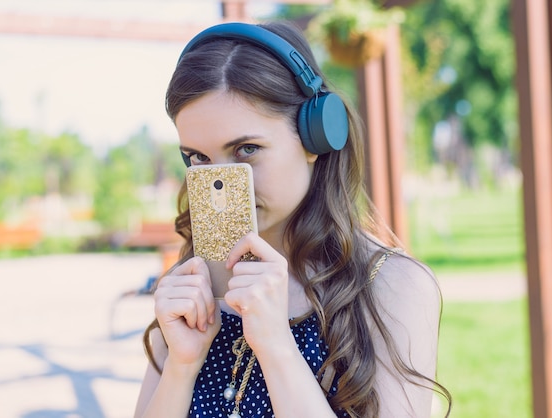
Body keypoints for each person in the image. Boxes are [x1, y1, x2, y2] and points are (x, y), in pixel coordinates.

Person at [134, 20, 451, 418]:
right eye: (199, 158)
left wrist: (277, 347)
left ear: (315, 137)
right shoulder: (194, 282)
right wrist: (180, 367)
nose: (225, 182)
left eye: (246, 149)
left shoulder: (392, 287)